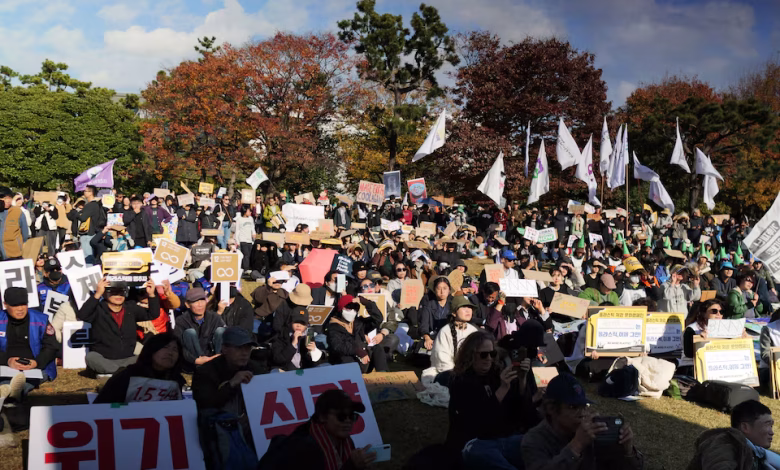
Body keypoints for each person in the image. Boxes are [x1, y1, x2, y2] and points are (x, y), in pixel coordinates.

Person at [447, 331, 536, 469]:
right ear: (471, 355)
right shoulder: (461, 381)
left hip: (504, 438)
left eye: (492, 354)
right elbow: (478, 421)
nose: (489, 358)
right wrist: (503, 389)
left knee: (536, 443)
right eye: (483, 354)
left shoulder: (495, 373)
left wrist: (522, 380)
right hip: (476, 443)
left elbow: (521, 413)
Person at [521, 373, 644, 470]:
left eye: (584, 406)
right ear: (551, 408)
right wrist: (576, 446)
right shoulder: (534, 440)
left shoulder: (594, 434)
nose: (582, 413)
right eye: (573, 407)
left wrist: (628, 452)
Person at [257, 389, 377, 469]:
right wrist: (352, 466)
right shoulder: (303, 448)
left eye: (352, 416)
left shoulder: (345, 441)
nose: (348, 421)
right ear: (323, 417)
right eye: (341, 417)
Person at [78, 278, 160, 374]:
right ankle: (122, 372)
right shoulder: (98, 309)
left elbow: (153, 314)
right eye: (113, 292)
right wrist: (97, 294)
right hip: (104, 359)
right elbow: (82, 315)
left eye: (122, 292)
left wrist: (151, 294)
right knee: (91, 357)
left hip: (129, 358)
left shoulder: (131, 308)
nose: (118, 295)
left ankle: (118, 372)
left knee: (149, 357)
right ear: (104, 293)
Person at [0, 287, 59, 398]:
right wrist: (7, 361)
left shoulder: (41, 320)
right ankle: (12, 391)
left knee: (32, 378)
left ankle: (9, 390)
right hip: (5, 365)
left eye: (23, 304)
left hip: (35, 366)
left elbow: (51, 346)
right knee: (7, 377)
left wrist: (37, 362)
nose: (20, 309)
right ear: (5, 305)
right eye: (15, 305)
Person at [95, 332, 186, 403]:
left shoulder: (177, 380)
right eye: (165, 347)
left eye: (175, 349)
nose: (170, 353)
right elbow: (102, 407)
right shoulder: (127, 376)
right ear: (152, 350)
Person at [688, 400, 774, 470]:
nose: (772, 432)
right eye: (766, 425)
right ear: (745, 427)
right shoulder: (723, 444)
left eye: (771, 426)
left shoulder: (756, 453)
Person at [326, 295, 388, 372]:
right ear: (341, 309)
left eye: (355, 308)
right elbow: (338, 345)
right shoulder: (333, 327)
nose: (352, 311)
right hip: (346, 361)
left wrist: (366, 303)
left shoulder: (358, 323)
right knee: (346, 358)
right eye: (349, 308)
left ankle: (383, 375)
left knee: (377, 348)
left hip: (364, 359)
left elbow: (378, 319)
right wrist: (357, 351)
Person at [173, 287, 226, 370]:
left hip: (213, 357)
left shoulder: (214, 317)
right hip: (193, 361)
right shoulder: (181, 321)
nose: (200, 304)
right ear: (187, 304)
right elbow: (178, 346)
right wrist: (195, 360)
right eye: (195, 301)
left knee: (222, 331)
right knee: (189, 332)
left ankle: (220, 363)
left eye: (202, 300)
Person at [432, 295, 479, 379]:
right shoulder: (445, 331)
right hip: (450, 374)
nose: (468, 310)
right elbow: (442, 359)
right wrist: (456, 374)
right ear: (454, 313)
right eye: (463, 307)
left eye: (469, 307)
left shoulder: (474, 331)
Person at [270, 306, 328, 371]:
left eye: (302, 323)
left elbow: (314, 364)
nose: (299, 325)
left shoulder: (308, 335)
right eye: (296, 322)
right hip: (285, 371)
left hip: (302, 372)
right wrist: (293, 344)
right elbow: (278, 359)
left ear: (306, 325)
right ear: (290, 322)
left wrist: (313, 351)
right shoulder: (281, 335)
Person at [680, 299, 725, 374]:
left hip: (714, 365)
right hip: (691, 366)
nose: (718, 314)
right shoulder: (692, 329)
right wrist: (700, 341)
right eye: (714, 311)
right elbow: (689, 353)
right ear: (704, 313)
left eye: (721, 312)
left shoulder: (725, 328)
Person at [251, 274, 289, 341]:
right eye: (275, 281)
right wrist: (268, 287)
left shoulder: (284, 293)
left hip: (276, 323)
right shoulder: (262, 289)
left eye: (280, 281)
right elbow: (259, 299)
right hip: (259, 320)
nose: (277, 283)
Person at [420, 276, 453, 351]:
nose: (442, 291)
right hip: (432, 336)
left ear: (449, 290)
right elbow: (424, 324)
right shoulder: (429, 305)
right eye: (439, 288)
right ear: (434, 290)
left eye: (445, 288)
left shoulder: (453, 305)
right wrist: (427, 338)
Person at [0, 186, 29, 260]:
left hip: (14, 253)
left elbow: (25, 234)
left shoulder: (17, 211)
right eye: (4, 198)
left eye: (9, 198)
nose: (7, 200)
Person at [234, 205, 256, 272]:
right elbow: (237, 231)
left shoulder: (251, 218)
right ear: (244, 211)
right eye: (249, 211)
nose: (250, 212)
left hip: (250, 240)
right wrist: (237, 241)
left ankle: (250, 267)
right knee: (246, 255)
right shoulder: (239, 220)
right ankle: (246, 269)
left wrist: (254, 233)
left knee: (250, 255)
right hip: (242, 240)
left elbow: (252, 227)